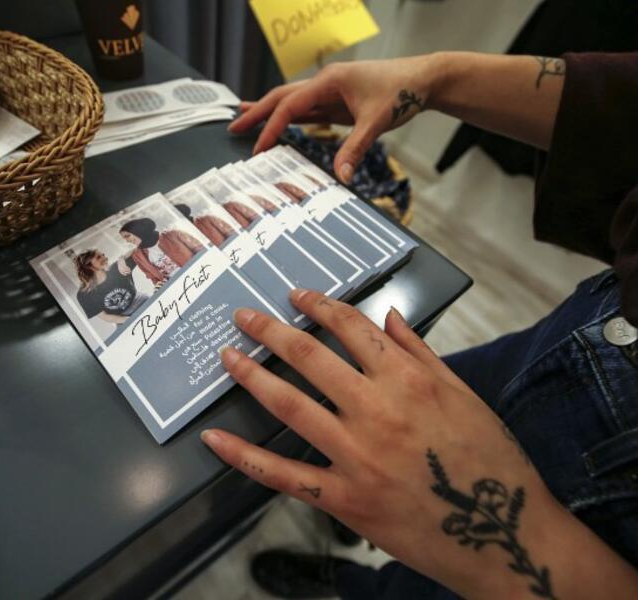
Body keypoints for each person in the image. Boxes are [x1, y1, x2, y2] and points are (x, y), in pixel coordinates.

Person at [198, 51, 638, 599]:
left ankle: (356, 585)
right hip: (597, 330)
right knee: (381, 419)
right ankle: (357, 545)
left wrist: (521, 545)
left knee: (418, 585)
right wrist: (435, 77)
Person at [119, 217, 204, 286]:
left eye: (127, 236)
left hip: (199, 275)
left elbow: (200, 249)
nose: (127, 240)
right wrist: (121, 259)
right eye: (125, 238)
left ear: (138, 230)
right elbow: (153, 278)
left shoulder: (173, 234)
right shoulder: (138, 256)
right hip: (178, 287)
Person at [73, 250, 145, 324]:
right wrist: (128, 320)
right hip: (120, 317)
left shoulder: (117, 268)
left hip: (140, 301)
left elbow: (138, 248)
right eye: (98, 257)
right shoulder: (84, 294)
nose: (105, 257)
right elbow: (104, 316)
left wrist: (121, 259)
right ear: (88, 266)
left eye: (103, 254)